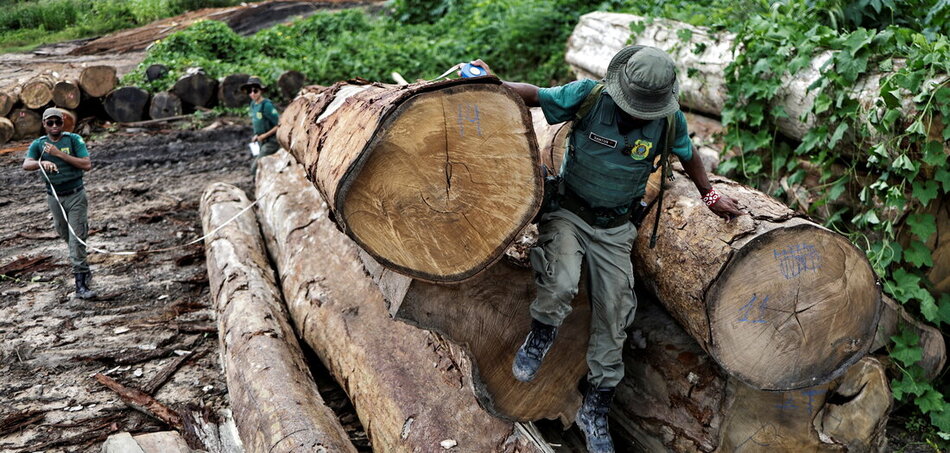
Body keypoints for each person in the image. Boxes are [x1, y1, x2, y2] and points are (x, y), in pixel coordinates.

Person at [471, 46, 743, 453]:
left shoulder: (668, 121)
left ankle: (595, 408)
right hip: (569, 212)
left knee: (615, 313)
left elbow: (690, 156)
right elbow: (536, 95)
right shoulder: (590, 96)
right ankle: (542, 334)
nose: (639, 113)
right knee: (561, 282)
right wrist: (490, 85)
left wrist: (709, 196)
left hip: (616, 228)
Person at [22, 107, 97, 300]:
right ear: (44, 125)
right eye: (50, 123)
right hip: (54, 197)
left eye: (58, 122)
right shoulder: (39, 144)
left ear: (62, 123)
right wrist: (41, 163)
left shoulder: (73, 140)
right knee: (64, 233)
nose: (54, 126)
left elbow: (86, 164)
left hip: (76, 195)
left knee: (76, 237)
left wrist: (59, 154)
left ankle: (80, 285)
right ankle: (84, 268)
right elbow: (26, 164)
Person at [241, 76, 280, 175]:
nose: (252, 94)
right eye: (249, 91)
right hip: (260, 141)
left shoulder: (266, 105)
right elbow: (257, 122)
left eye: (255, 90)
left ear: (261, 91)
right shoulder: (253, 105)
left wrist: (264, 136)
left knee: (255, 168)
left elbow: (279, 124)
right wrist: (257, 135)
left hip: (271, 142)